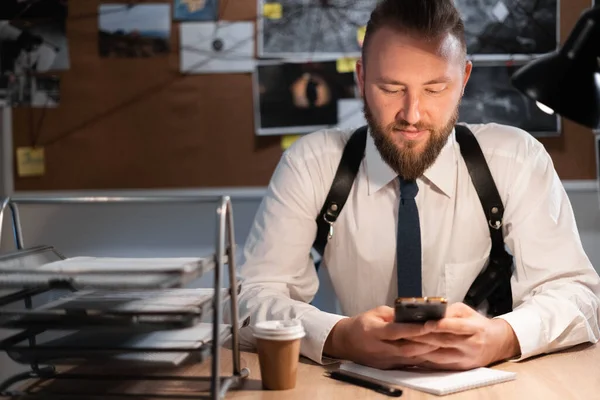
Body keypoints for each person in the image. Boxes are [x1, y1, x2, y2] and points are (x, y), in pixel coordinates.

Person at [234, 0, 600, 371]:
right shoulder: (312, 164)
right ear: (361, 78)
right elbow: (251, 298)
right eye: (391, 88)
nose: (412, 115)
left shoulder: (517, 159)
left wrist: (501, 337)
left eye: (435, 89)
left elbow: (577, 294)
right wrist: (340, 336)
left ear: (464, 81)